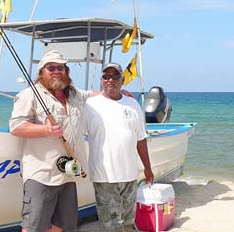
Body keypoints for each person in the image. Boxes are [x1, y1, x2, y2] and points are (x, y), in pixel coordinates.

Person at [9, 50, 94, 232]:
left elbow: (91, 95)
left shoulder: (74, 94)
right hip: (42, 174)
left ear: (66, 71)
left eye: (61, 67)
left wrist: (118, 93)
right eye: (51, 68)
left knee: (62, 225)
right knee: (34, 226)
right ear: (42, 72)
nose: (57, 71)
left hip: (68, 173)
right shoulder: (29, 95)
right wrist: (45, 129)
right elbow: (16, 127)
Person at [84, 62, 154, 232]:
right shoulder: (90, 105)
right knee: (111, 226)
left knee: (128, 222)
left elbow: (141, 139)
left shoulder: (132, 104)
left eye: (115, 76)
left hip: (130, 176)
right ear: (101, 80)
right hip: (104, 177)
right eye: (106, 76)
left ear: (122, 80)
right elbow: (76, 134)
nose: (111, 80)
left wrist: (148, 168)